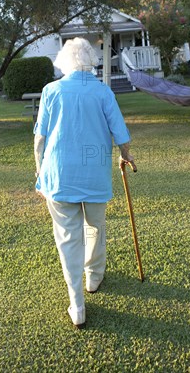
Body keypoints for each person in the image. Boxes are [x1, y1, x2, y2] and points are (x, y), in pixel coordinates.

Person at [33, 37, 134, 329]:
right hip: (94, 176)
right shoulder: (103, 92)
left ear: (64, 61)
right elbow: (122, 135)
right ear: (90, 61)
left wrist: (40, 171)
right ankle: (94, 276)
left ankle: (77, 304)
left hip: (59, 176)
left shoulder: (51, 90)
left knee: (68, 239)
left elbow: (40, 138)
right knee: (95, 227)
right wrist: (125, 157)